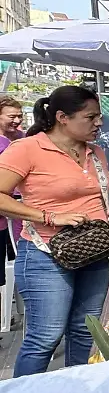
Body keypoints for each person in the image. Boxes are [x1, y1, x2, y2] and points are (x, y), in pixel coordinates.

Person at [0, 86, 109, 377]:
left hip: (94, 253)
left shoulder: (95, 152)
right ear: (62, 118)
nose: (98, 124)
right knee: (45, 336)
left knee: (85, 331)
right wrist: (49, 216)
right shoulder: (28, 148)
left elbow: (103, 203)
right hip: (45, 253)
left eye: (99, 117)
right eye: (90, 117)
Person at [0, 95, 25, 287]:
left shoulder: (24, 139)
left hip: (22, 207)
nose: (17, 120)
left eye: (20, 116)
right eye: (11, 116)